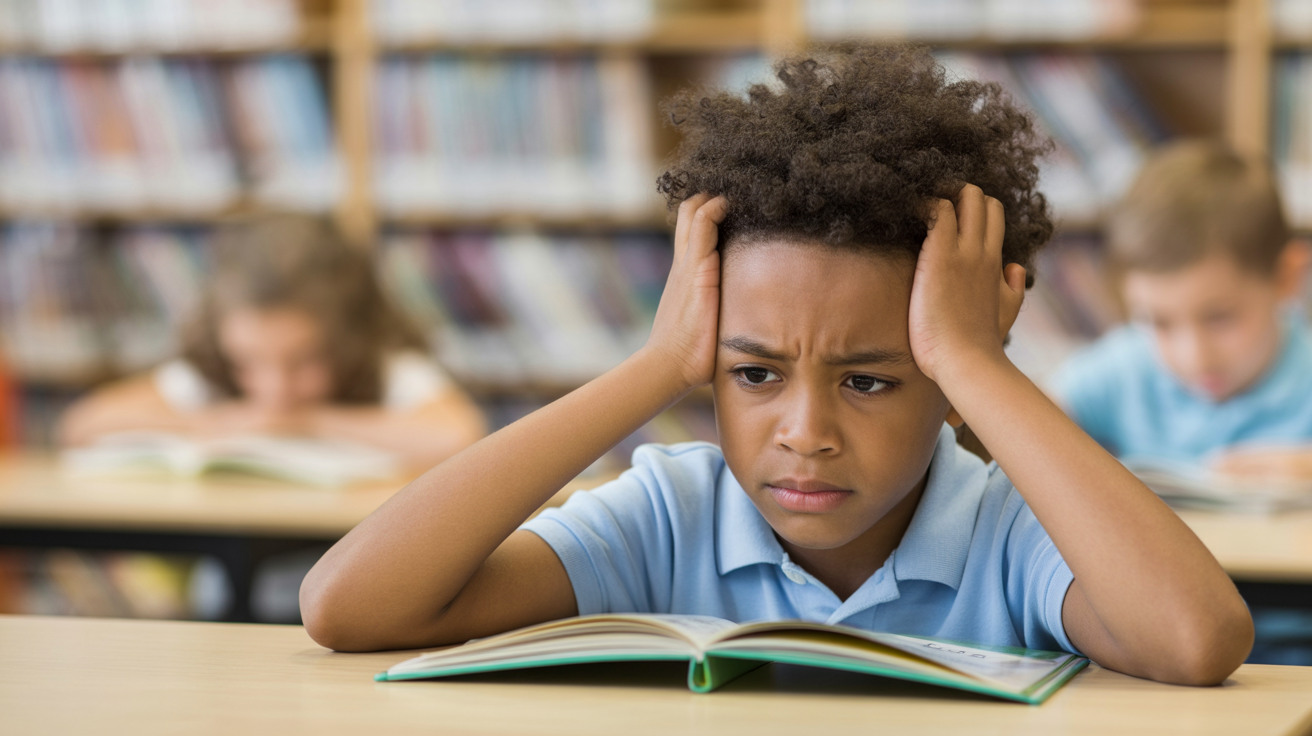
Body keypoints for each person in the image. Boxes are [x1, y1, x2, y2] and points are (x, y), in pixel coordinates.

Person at [300, 46, 1252, 685]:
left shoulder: (1013, 534)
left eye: (871, 380)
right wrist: (656, 366)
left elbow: (1194, 640)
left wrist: (976, 360)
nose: (804, 432)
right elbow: (347, 606)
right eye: (752, 374)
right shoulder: (671, 516)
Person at [59, 214, 487, 471]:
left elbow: (461, 438)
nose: (275, 390)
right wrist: (222, 422)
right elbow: (82, 426)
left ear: (347, 339)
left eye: (303, 361)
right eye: (249, 362)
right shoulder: (211, 373)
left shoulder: (386, 367)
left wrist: (305, 421)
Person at [1050, 141, 1312, 479]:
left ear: (1285, 276)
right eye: (1158, 322)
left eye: (1219, 318)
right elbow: (1025, 424)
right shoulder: (1127, 366)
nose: (1195, 356)